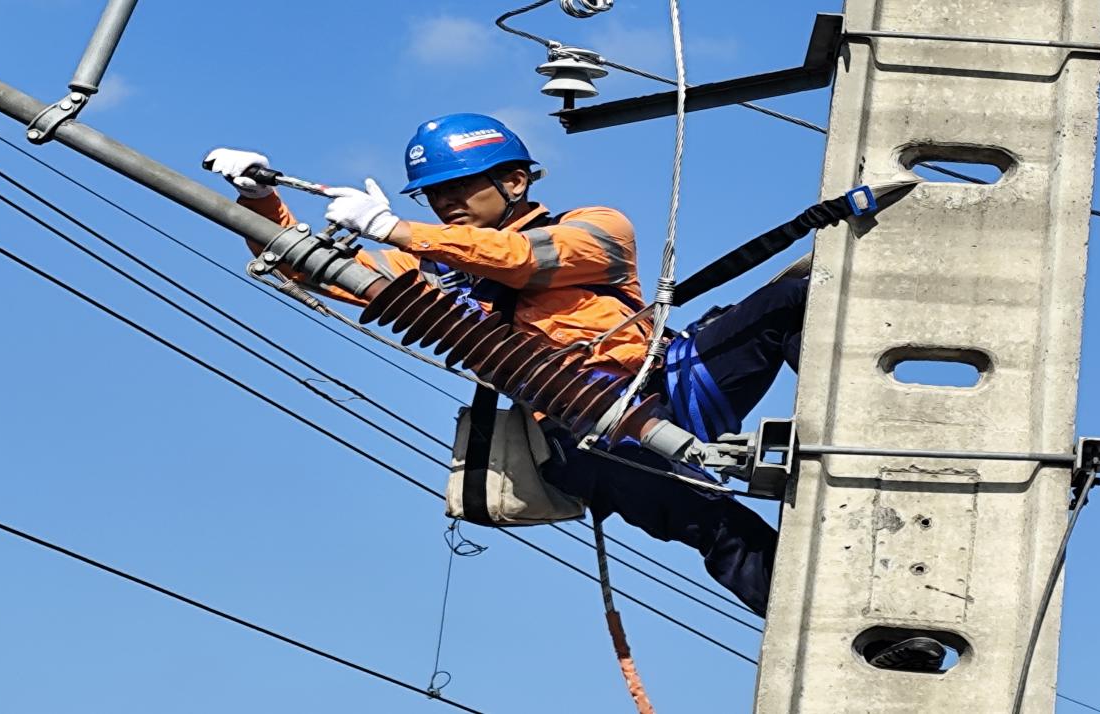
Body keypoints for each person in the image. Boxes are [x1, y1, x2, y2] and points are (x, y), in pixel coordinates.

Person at [205, 113, 941, 671]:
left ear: (514, 182)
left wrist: (399, 230)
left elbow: (524, 260)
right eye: (435, 195)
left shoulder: (595, 227)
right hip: (577, 432)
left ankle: (864, 430)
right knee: (717, 528)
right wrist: (263, 205)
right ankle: (868, 643)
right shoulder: (433, 275)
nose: (446, 203)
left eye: (460, 188)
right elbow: (315, 267)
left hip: (668, 384)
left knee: (795, 298)